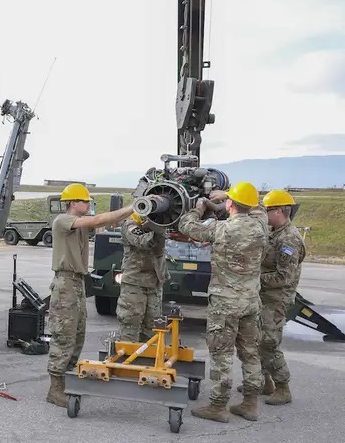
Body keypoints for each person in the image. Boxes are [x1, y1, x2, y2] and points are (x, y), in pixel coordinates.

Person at [177, 181, 268, 423]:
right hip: (250, 301)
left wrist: (199, 207)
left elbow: (186, 225)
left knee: (221, 354)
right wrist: (230, 194)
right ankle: (250, 404)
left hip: (225, 303)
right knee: (250, 353)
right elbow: (259, 209)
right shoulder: (261, 226)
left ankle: (218, 406)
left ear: (229, 204)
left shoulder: (222, 229)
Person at [46, 183, 135, 407]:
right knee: (63, 335)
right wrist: (133, 207)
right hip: (65, 282)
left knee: (77, 334)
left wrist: (134, 211)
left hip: (77, 282)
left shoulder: (81, 224)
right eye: (84, 201)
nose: (88, 204)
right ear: (73, 203)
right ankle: (55, 388)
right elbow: (97, 221)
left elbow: (106, 222)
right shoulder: (63, 221)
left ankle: (67, 380)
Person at [231, 189, 305, 405]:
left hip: (276, 300)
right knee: (256, 340)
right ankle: (264, 383)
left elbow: (284, 277)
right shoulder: (275, 232)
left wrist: (254, 277)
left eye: (268, 210)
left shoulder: (289, 239)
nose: (264, 213)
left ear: (280, 211)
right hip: (264, 297)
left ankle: (283, 387)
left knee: (269, 343)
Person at [116, 212, 168, 343]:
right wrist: (158, 228)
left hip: (154, 284)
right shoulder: (130, 226)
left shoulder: (156, 227)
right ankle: (126, 360)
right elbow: (144, 241)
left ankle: (147, 360)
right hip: (134, 284)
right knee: (130, 327)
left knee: (152, 330)